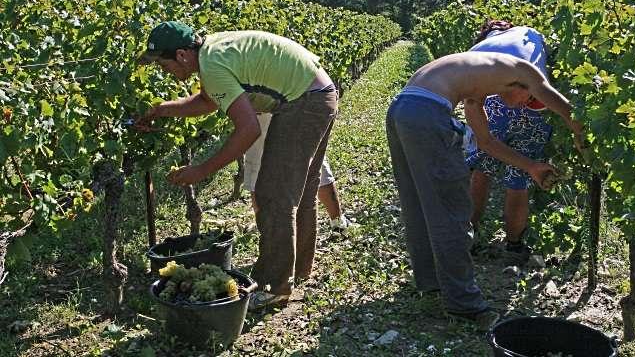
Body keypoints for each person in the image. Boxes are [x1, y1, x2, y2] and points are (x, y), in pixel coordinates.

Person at [135, 21, 337, 311]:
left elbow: (248, 129)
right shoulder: (211, 52)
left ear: (181, 55)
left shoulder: (212, 66)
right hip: (318, 93)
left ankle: (273, 286)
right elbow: (207, 102)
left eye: (161, 63)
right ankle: (298, 271)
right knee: (300, 190)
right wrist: (160, 110)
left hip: (304, 102)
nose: (161, 70)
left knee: (273, 194)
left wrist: (201, 170)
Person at [386, 50, 580, 329]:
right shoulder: (524, 69)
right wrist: (581, 134)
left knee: (419, 202)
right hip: (427, 114)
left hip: (403, 110)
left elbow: (486, 142)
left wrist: (531, 167)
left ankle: (432, 283)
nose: (524, 106)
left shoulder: (476, 86)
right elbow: (565, 108)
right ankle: (465, 305)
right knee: (452, 210)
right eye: (528, 100)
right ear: (522, 86)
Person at [464, 21, 584, 264]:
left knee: (482, 170)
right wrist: (580, 135)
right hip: (535, 109)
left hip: (496, 102)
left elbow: (476, 101)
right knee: (519, 178)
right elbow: (563, 108)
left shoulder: (482, 50)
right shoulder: (529, 40)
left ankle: (467, 237)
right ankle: (514, 246)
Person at [243, 113, 350, 232]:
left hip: (263, 108)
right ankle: (338, 221)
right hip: (298, 105)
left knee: (258, 166)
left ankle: (266, 229)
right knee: (313, 161)